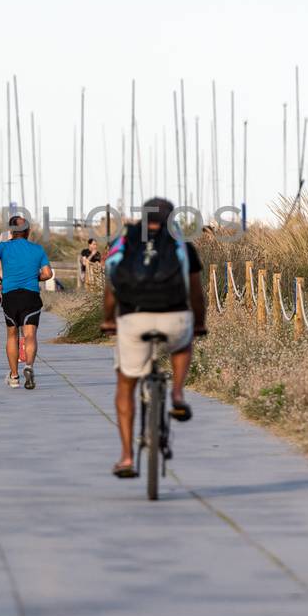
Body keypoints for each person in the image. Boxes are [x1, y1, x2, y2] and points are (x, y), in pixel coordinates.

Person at [100, 197, 207, 478]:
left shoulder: (125, 241)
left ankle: (126, 458)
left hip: (133, 319)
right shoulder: (183, 246)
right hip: (175, 318)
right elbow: (195, 292)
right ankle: (177, 392)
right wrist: (199, 323)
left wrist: (109, 319)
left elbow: (112, 284)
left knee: (126, 385)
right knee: (183, 343)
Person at [0, 214, 53, 389]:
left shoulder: (3, 247)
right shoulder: (38, 249)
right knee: (30, 335)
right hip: (30, 296)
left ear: (11, 232)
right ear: (28, 231)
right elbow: (47, 274)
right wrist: (35, 276)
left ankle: (14, 377)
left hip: (10, 295)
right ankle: (28, 365)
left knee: (12, 335)